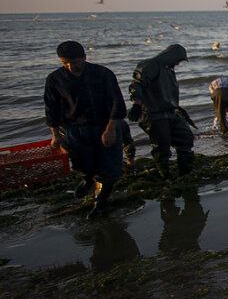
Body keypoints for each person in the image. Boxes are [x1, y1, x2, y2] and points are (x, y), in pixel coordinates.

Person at [43, 40, 127, 217]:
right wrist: (55, 135)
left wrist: (110, 129)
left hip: (105, 124)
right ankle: (87, 179)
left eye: (73, 62)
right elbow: (52, 109)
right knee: (81, 164)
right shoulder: (55, 79)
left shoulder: (103, 74)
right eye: (65, 62)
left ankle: (100, 204)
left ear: (84, 58)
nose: (69, 66)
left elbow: (117, 103)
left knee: (111, 168)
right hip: (74, 128)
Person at [128, 43, 196, 178]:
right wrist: (137, 103)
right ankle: (165, 175)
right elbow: (136, 84)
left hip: (171, 113)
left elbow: (169, 96)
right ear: (172, 56)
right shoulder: (150, 65)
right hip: (154, 114)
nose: (178, 63)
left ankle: (185, 172)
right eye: (178, 60)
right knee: (162, 146)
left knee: (185, 138)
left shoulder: (169, 71)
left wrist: (180, 111)